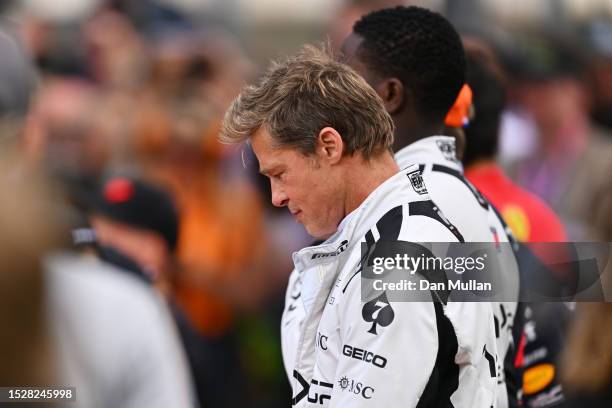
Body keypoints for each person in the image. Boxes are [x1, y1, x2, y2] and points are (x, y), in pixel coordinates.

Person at [220, 44, 499, 407]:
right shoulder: (384, 227)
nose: (276, 197)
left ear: (329, 146)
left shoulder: (398, 257)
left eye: (280, 174)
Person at [341, 6, 521, 407]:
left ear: (389, 95)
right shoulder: (479, 208)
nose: (329, 96)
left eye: (344, 81)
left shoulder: (406, 221)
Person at [462, 41, 567, 243]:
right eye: (531, 88)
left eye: (545, 89)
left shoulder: (416, 215)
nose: (535, 98)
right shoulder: (541, 219)